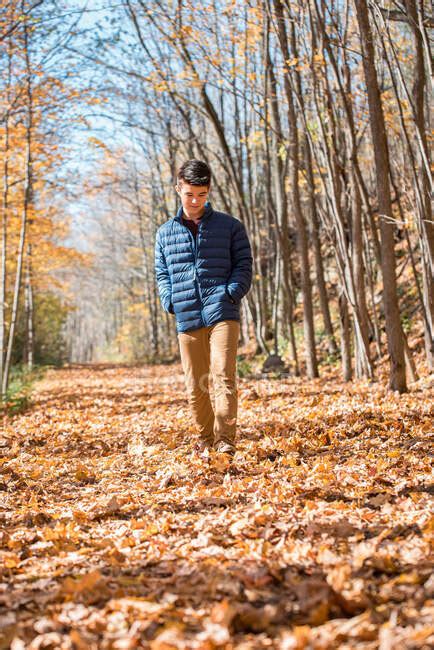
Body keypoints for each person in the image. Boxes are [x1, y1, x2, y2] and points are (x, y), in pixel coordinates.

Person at [154, 159, 253, 457]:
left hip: (222, 311)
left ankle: (226, 441)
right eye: (189, 194)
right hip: (186, 313)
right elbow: (162, 273)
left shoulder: (230, 226)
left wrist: (231, 292)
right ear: (178, 189)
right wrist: (168, 300)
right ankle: (205, 438)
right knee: (196, 385)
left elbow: (244, 264)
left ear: (208, 191)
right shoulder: (165, 233)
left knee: (223, 374)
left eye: (202, 194)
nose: (195, 200)